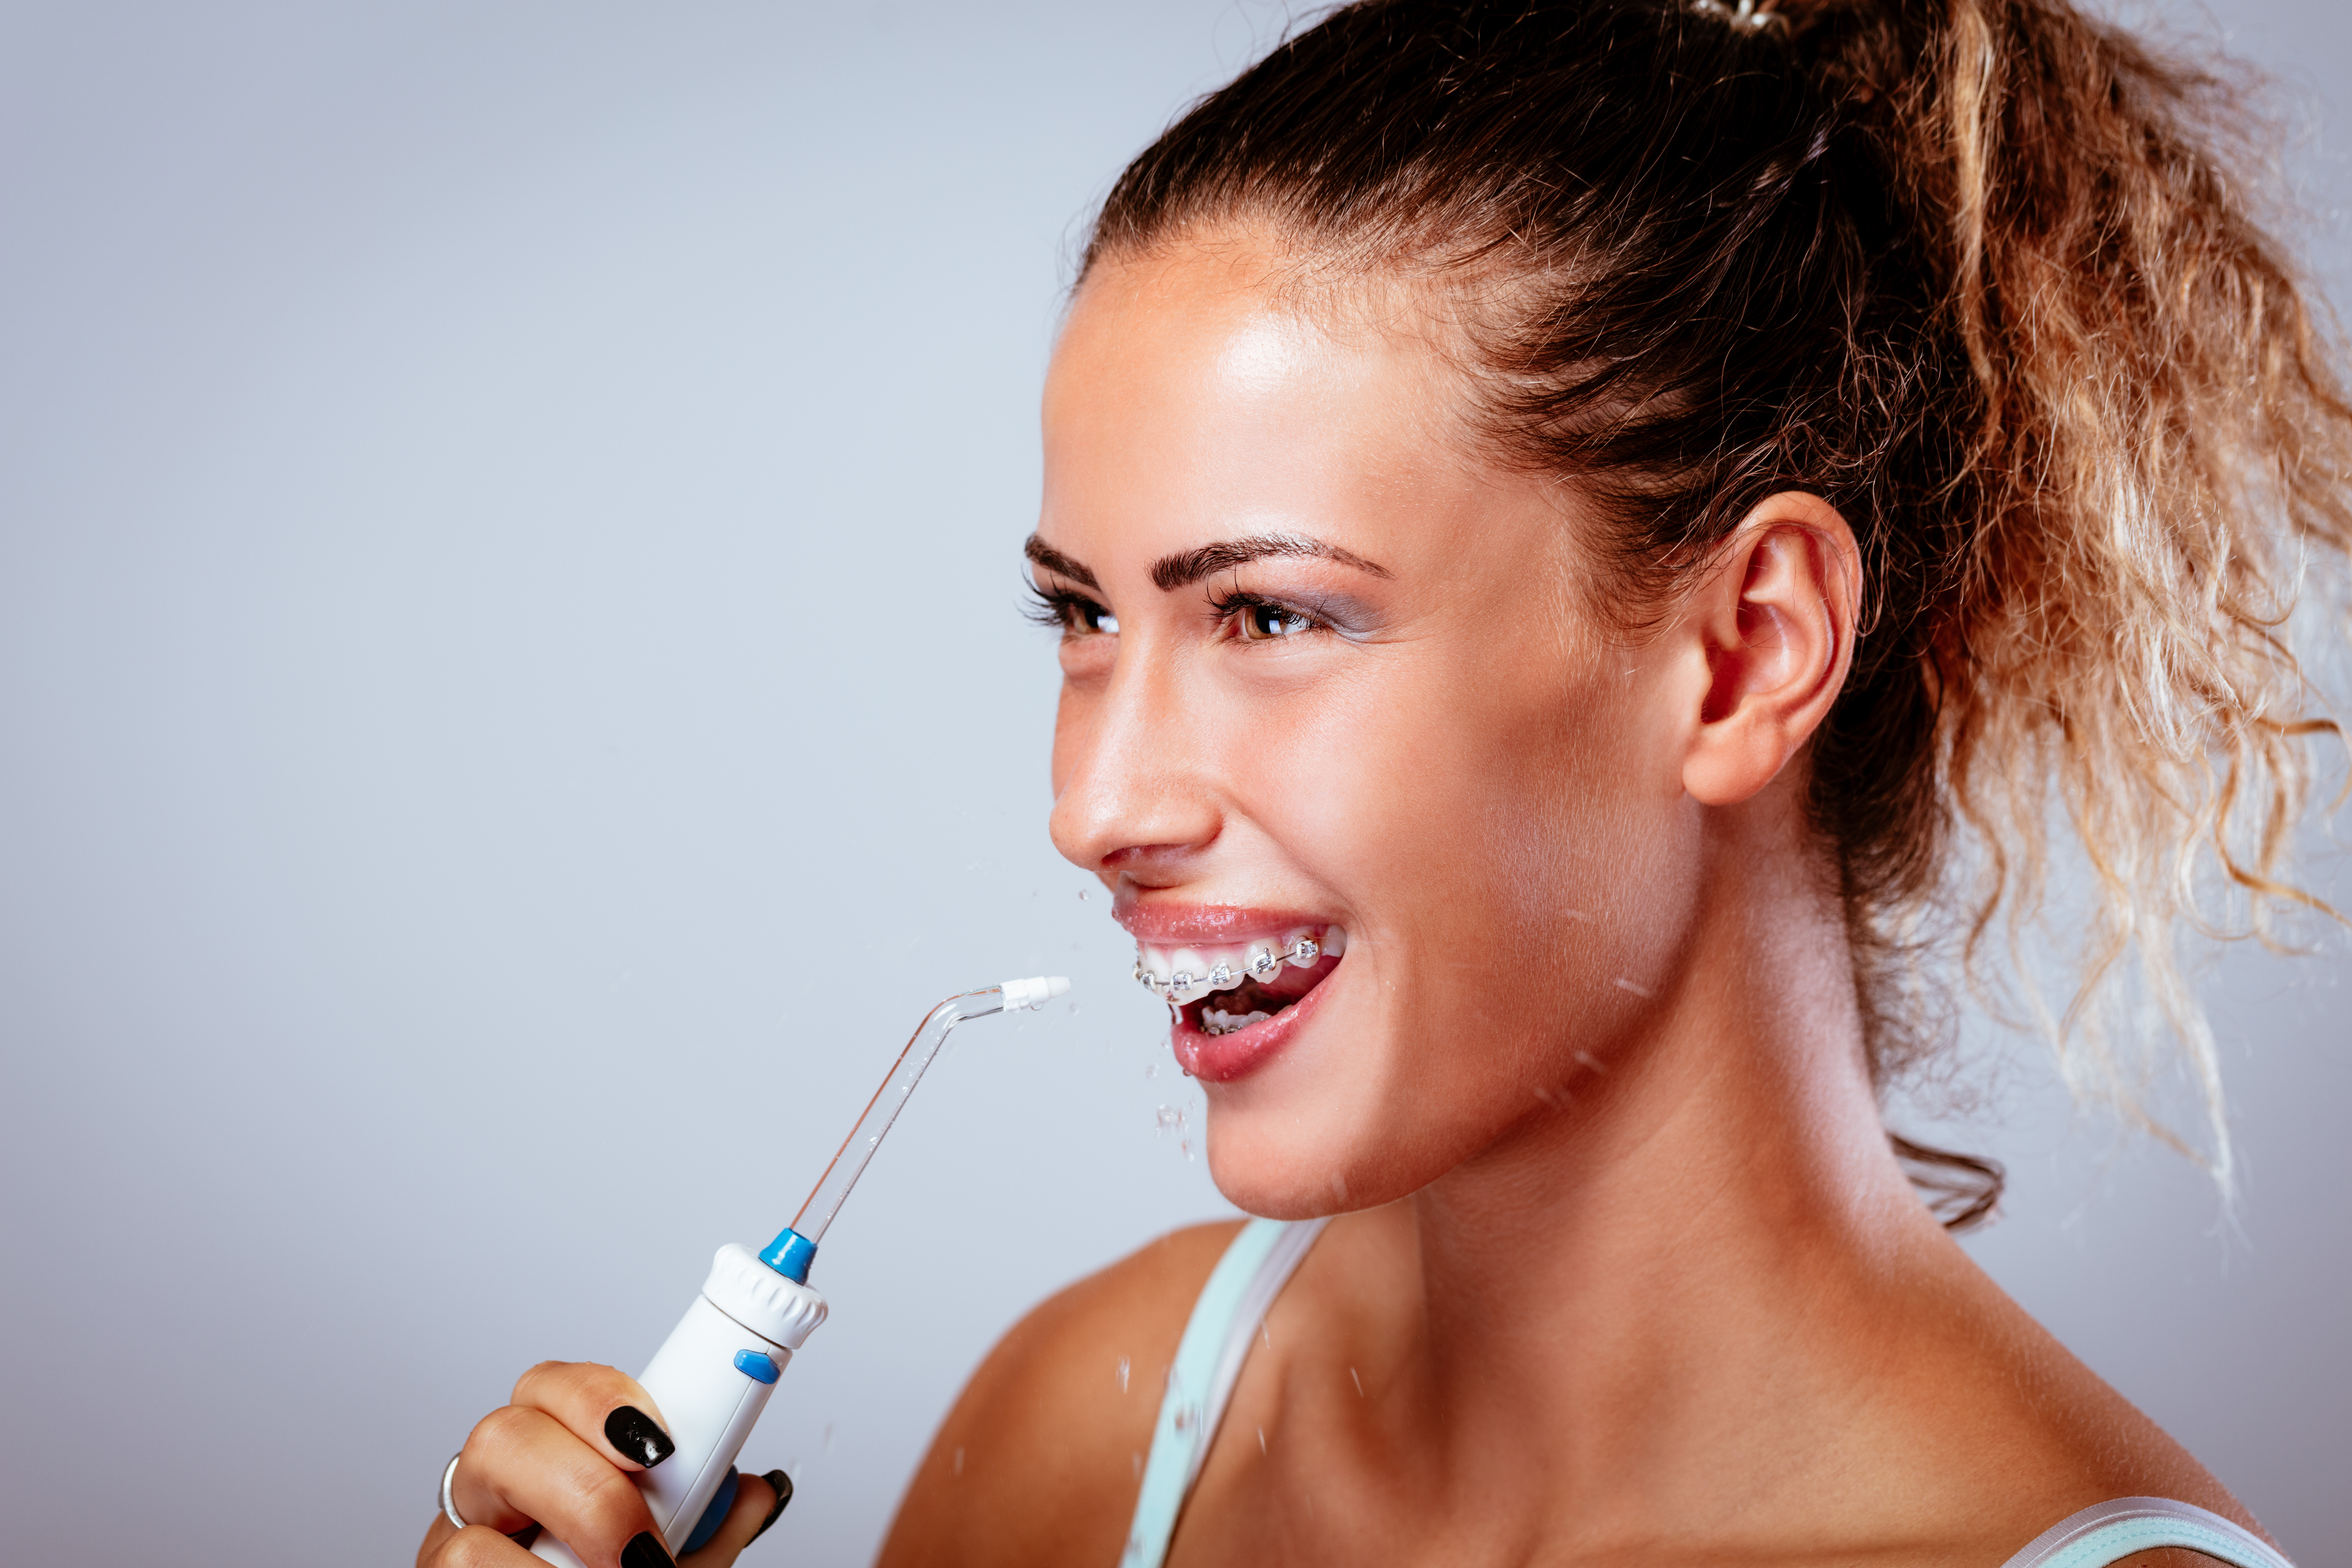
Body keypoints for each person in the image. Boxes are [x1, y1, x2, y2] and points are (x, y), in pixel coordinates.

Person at [419, 1, 2350, 1564]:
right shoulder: (1087, 1445)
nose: (1097, 806)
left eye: (1268, 616)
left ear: (1752, 648)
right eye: (1081, 620)